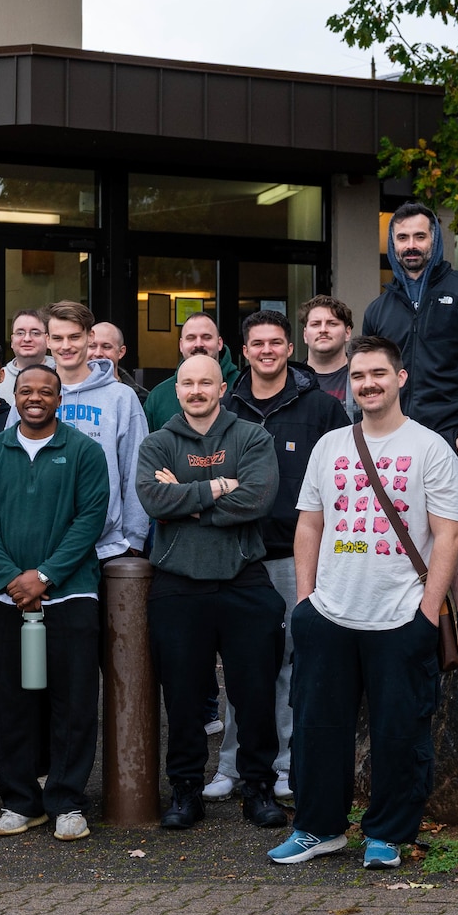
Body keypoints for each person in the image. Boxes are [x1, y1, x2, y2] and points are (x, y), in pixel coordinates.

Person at [273, 335, 458, 869]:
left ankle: (387, 834)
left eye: (378, 374)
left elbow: (448, 536)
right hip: (329, 614)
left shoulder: (430, 448)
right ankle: (318, 828)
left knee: (400, 734)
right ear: (349, 383)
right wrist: (305, 601)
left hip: (401, 615)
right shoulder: (330, 446)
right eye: (358, 376)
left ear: (400, 378)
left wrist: (427, 614)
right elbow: (309, 524)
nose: (368, 384)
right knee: (316, 730)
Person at [136, 355, 288, 833]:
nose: (196, 390)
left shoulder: (251, 437)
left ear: (223, 388)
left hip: (244, 580)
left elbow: (258, 500)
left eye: (206, 382)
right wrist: (220, 487)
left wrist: (188, 497)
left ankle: (258, 788)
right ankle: (184, 790)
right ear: (176, 390)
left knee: (256, 693)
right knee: (181, 697)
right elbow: (152, 500)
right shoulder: (158, 442)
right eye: (187, 383)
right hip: (178, 585)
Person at [207, 310, 349, 803]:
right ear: (242, 352)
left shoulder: (322, 408)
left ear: (291, 348)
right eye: (257, 344)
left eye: (276, 342)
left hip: (294, 555)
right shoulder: (227, 405)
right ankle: (230, 766)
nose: (267, 350)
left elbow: (341, 479)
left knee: (292, 662)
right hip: (236, 553)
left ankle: (285, 766)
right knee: (241, 667)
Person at [0, 365, 110, 842]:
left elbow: (90, 520)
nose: (34, 398)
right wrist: (11, 579)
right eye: (25, 390)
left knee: (73, 700)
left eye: (44, 392)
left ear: (58, 397)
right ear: (14, 395)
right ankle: (20, 801)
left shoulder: (84, 451)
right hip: (4, 599)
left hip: (70, 596)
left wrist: (44, 576)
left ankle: (67, 801)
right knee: (13, 701)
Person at [362, 203, 458, 651]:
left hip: (453, 435)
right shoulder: (379, 308)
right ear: (392, 245)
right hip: (395, 437)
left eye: (419, 237)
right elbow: (370, 373)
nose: (411, 246)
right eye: (402, 238)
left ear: (436, 240)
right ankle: (403, 612)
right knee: (394, 526)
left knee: (457, 530)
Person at [48, 301, 150, 561]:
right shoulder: (32, 395)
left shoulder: (122, 398)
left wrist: (135, 538)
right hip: (43, 546)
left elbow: (136, 468)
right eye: (58, 338)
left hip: (109, 548)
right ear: (47, 341)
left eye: (74, 337)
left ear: (89, 336)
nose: (66, 346)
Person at [144, 312, 238, 428]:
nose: (198, 344)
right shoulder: (158, 397)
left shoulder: (243, 387)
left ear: (219, 343)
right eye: (191, 338)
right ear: (181, 345)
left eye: (206, 337)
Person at [298, 296, 356, 408]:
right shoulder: (290, 381)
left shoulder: (363, 377)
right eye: (316, 324)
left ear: (347, 333)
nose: (323, 330)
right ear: (305, 334)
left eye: (332, 323)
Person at [0, 309, 51, 400]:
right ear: (12, 341)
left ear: (47, 339)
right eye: (20, 333)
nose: (27, 339)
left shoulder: (63, 374)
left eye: (35, 333)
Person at [91, 322, 146, 399]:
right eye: (92, 346)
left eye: (106, 347)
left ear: (121, 352)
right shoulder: (70, 391)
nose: (98, 353)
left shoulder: (141, 399)